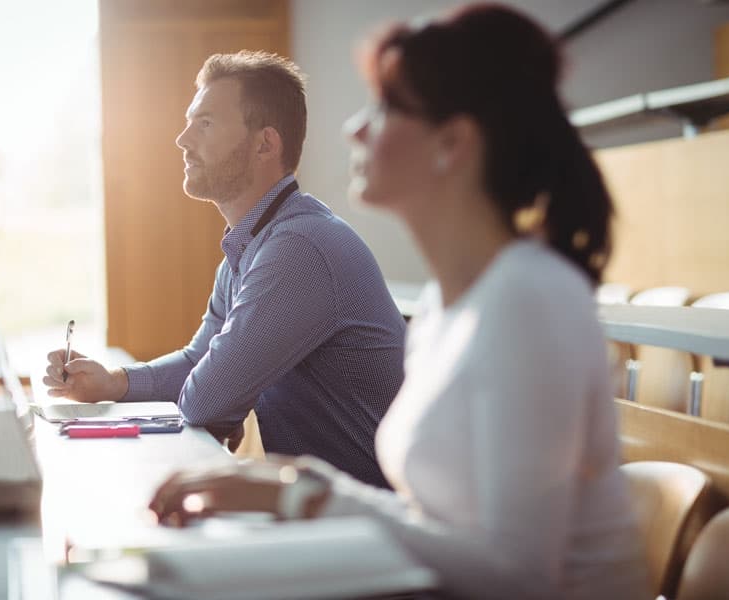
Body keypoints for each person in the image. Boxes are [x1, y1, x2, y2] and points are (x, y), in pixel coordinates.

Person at [145, 5, 650, 599]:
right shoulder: (446, 304)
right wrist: (301, 480)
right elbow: (435, 526)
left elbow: (519, 576)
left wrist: (303, 496)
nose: (355, 128)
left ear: (452, 143)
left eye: (385, 108)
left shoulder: (528, 301)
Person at [43, 51, 405, 488]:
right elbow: (200, 363)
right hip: (323, 511)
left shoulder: (298, 248)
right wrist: (111, 383)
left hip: (367, 525)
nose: (182, 139)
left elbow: (206, 401)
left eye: (206, 123)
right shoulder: (255, 242)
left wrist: (227, 398)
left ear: (264, 144)